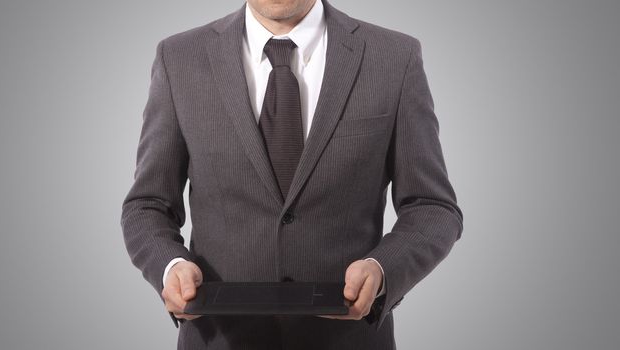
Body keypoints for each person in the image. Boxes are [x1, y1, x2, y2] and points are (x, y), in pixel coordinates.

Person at [121, 0, 463, 348]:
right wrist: (170, 265)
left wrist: (382, 269)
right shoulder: (179, 57)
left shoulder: (393, 57)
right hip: (217, 339)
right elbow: (148, 204)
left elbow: (432, 207)